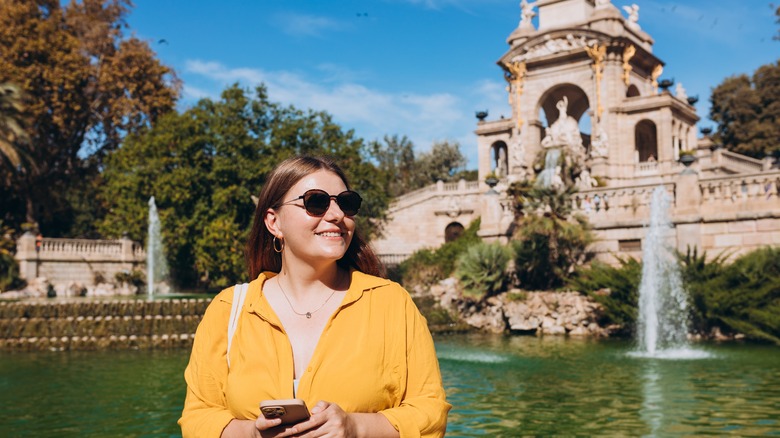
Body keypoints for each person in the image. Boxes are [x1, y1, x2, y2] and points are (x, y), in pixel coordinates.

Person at [179, 155, 450, 437]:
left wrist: (355, 427)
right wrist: (254, 433)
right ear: (274, 222)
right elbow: (198, 419)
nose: (336, 215)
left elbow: (430, 412)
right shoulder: (227, 309)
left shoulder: (391, 303)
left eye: (346, 203)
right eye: (316, 202)